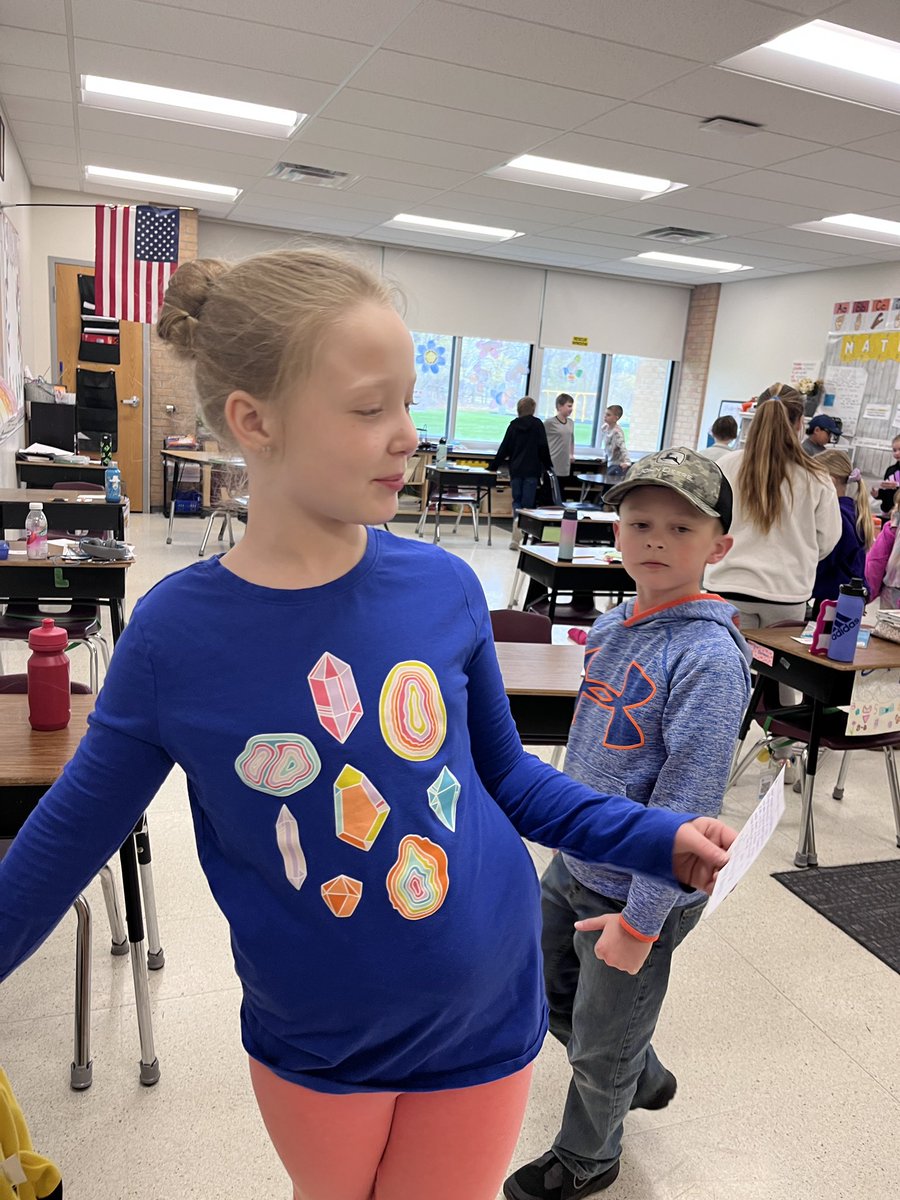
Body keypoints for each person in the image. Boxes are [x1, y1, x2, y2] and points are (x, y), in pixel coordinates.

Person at [0, 250, 736, 1200]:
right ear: (253, 421)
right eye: (368, 408)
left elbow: (507, 777)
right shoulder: (175, 637)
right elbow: (65, 841)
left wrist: (655, 837)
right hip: (319, 1036)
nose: (407, 437)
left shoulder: (440, 585)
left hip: (483, 1001)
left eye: (407, 404)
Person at [504, 448, 750, 1200]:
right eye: (639, 520)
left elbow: (687, 804)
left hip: (645, 890)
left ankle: (589, 1156)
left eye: (680, 527)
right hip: (578, 860)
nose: (654, 538)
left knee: (600, 1039)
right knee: (548, 995)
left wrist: (640, 925)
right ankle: (638, 1070)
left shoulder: (708, 658)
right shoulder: (616, 625)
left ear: (718, 548)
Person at [705, 387, 841, 629]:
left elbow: (707, 521)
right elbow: (827, 539)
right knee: (776, 667)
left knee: (726, 665)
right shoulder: (816, 476)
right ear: (800, 423)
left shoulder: (726, 465)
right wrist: (798, 551)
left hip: (728, 585)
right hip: (786, 593)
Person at [811, 448, 875, 613]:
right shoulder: (852, 510)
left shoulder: (837, 515)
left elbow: (827, 557)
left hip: (834, 599)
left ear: (830, 480)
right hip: (846, 596)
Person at [490, 395, 553, 548]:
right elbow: (543, 447)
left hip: (516, 470)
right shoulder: (538, 425)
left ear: (518, 410)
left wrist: (493, 466)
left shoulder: (513, 425)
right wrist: (549, 466)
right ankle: (524, 531)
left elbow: (504, 447)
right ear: (532, 409)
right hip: (532, 470)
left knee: (517, 501)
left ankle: (515, 529)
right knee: (528, 504)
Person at [866, 489, 900, 610]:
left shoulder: (893, 527)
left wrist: (868, 593)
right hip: (893, 590)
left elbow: (877, 561)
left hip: (893, 591)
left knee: (889, 628)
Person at [544, 392, 576, 494]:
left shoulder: (571, 423)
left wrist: (571, 454)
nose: (571, 409)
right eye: (569, 406)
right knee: (549, 491)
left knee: (560, 491)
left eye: (572, 406)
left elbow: (571, 439)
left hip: (565, 463)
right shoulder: (549, 422)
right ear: (560, 406)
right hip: (553, 462)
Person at [870, 433, 900, 515]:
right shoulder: (890, 470)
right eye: (894, 450)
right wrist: (876, 494)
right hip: (887, 513)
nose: (897, 453)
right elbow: (884, 493)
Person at [599, 405, 630, 474]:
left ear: (616, 418)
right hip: (610, 461)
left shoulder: (617, 432)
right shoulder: (605, 428)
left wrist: (627, 462)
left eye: (608, 415)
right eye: (605, 414)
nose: (605, 416)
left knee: (610, 481)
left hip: (617, 464)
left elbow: (623, 447)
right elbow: (607, 446)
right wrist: (605, 458)